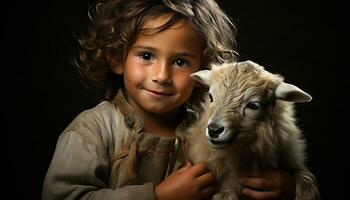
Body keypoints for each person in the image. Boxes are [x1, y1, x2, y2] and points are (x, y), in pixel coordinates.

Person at [42, 0, 296, 199]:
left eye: (180, 62)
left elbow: (247, 176)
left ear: (202, 72)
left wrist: (286, 187)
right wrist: (158, 196)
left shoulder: (208, 130)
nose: (162, 76)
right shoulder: (91, 130)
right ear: (118, 58)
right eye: (146, 56)